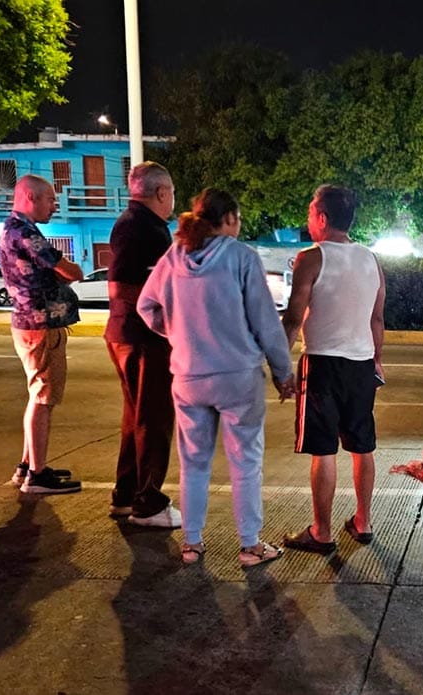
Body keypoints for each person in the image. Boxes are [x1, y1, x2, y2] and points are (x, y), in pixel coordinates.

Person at [137, 188, 295, 567]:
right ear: (227, 219)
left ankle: (191, 543)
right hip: (238, 377)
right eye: (237, 220)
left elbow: (147, 307)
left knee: (193, 463)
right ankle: (250, 545)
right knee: (245, 462)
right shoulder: (242, 257)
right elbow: (265, 321)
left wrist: (177, 333)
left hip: (188, 376)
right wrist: (282, 371)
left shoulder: (173, 257)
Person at [281, 184, 386, 554]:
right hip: (361, 364)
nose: (308, 220)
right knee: (363, 446)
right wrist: (376, 361)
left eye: (311, 213)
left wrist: (281, 366)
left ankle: (321, 532)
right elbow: (377, 320)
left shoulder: (311, 257)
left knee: (323, 450)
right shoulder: (371, 259)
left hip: (323, 364)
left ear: (322, 218)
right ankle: (363, 521)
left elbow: (294, 318)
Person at [104, 162, 180, 527]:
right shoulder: (143, 228)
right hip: (142, 337)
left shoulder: (135, 224)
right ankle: (148, 502)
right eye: (172, 193)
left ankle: (126, 493)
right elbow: (122, 287)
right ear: (162, 192)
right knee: (153, 418)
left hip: (129, 334)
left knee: (136, 418)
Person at [0, 174, 84, 494]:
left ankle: (28, 465)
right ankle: (36, 474)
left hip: (30, 324)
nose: (54, 205)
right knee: (43, 399)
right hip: (40, 326)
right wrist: (73, 271)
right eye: (50, 199)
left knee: (38, 396)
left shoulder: (12, 229)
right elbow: (68, 270)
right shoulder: (26, 233)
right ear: (30, 198)